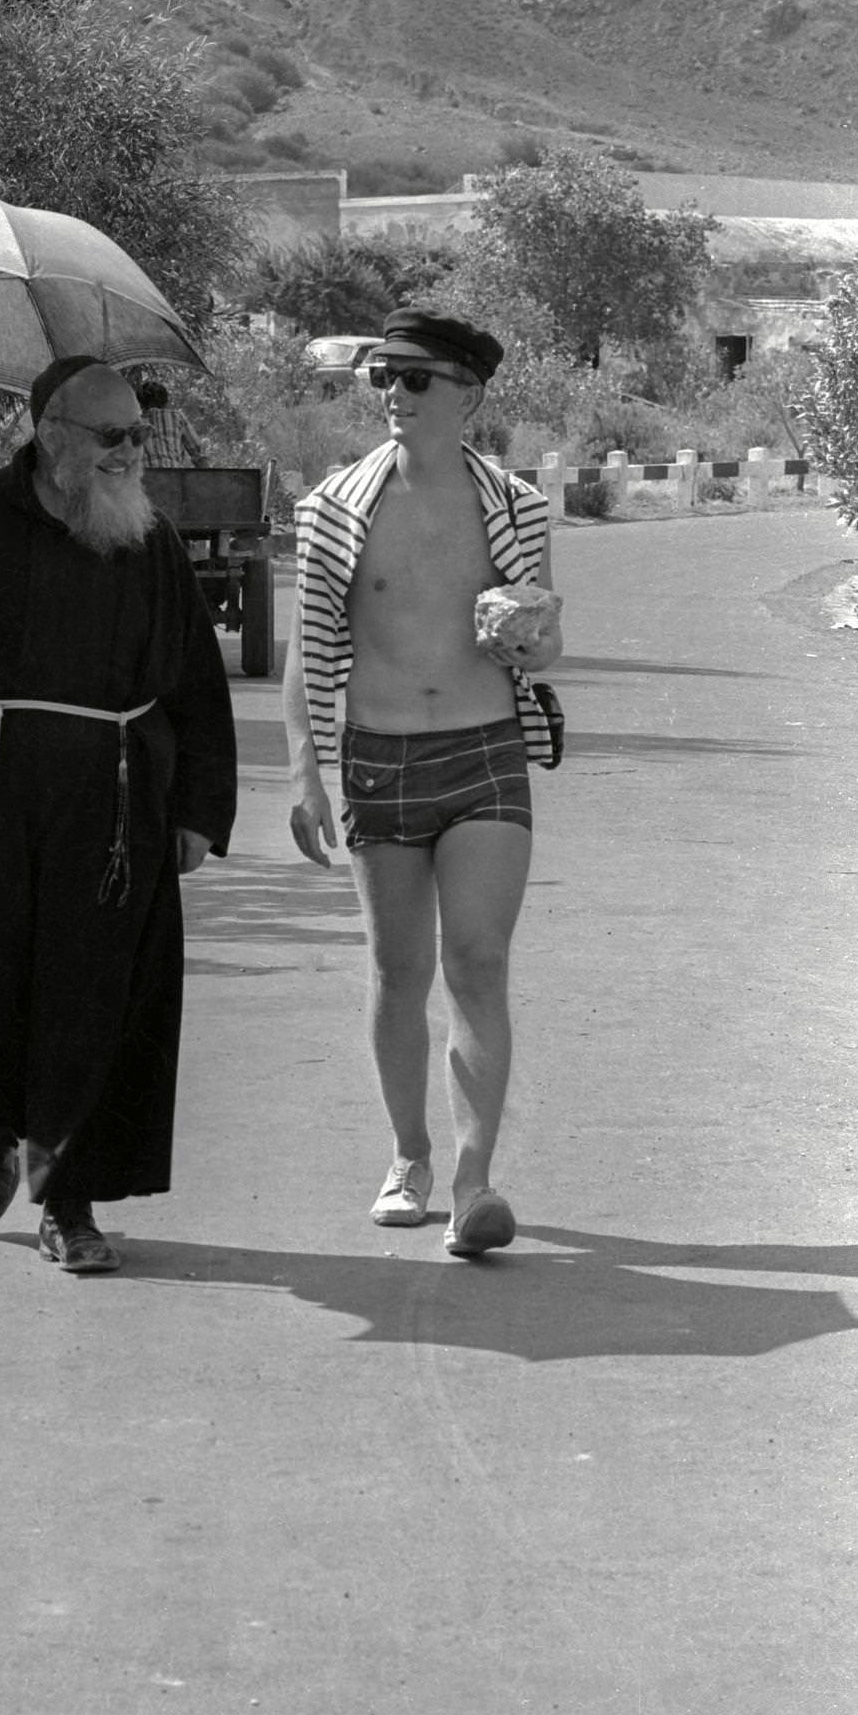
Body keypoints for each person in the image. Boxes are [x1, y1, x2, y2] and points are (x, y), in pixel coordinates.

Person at [0, 356, 237, 1273]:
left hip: (111, 807)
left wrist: (196, 811)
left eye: (139, 435)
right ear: (50, 433)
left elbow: (194, 684)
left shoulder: (150, 539)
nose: (131, 453)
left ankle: (68, 1200)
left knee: (89, 996)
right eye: (112, 436)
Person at [282, 309, 563, 1257]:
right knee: (399, 971)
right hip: (378, 756)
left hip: (485, 749)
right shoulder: (334, 508)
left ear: (466, 394)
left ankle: (476, 1179)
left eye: (414, 379)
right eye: (382, 378)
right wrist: (305, 774)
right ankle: (409, 1156)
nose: (394, 396)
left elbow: (547, 640)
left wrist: (537, 639)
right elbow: (308, 650)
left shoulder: (517, 507)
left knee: (477, 961)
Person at [137, 376, 206, 469]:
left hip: (144, 480)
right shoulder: (176, 417)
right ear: (165, 402)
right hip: (174, 478)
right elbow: (198, 454)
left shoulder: (134, 423)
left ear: (140, 404)